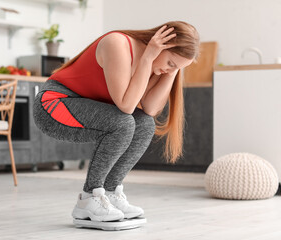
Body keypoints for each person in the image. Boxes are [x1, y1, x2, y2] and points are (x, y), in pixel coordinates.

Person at [33, 21, 200, 222]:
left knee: (145, 124)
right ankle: (89, 197)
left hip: (85, 108)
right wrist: (148, 57)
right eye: (171, 63)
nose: (168, 69)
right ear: (160, 44)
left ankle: (110, 193)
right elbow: (126, 106)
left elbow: (150, 109)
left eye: (176, 68)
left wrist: (173, 71)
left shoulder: (160, 67)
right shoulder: (118, 44)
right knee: (123, 122)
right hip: (53, 105)